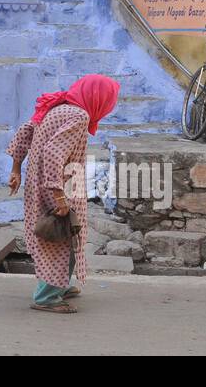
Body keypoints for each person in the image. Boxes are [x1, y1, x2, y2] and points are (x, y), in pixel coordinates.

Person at [7, 74, 121, 314]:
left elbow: (26, 130)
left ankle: (59, 285)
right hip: (58, 185)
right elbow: (52, 154)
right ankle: (47, 297)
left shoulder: (58, 106)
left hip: (39, 183)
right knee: (62, 238)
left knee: (64, 236)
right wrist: (59, 197)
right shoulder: (79, 116)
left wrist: (16, 168)